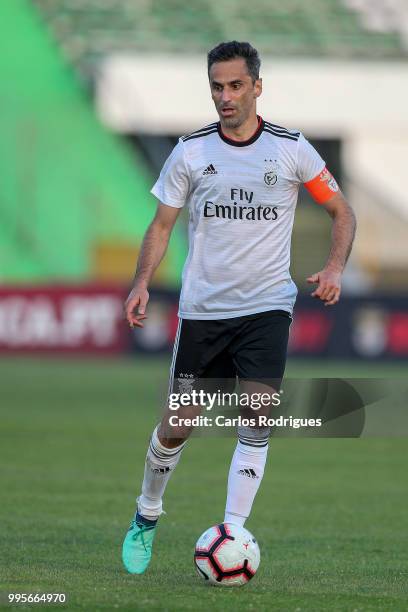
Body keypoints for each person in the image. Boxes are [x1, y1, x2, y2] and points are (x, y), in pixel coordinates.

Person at [122, 41, 356, 574]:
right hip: (204, 309)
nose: (224, 97)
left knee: (258, 413)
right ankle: (146, 513)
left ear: (256, 86)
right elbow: (162, 226)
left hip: (267, 306)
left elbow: (341, 210)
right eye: (216, 87)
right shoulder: (191, 151)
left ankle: (233, 530)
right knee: (179, 423)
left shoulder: (291, 150)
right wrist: (141, 282)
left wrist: (336, 265)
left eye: (233, 86)